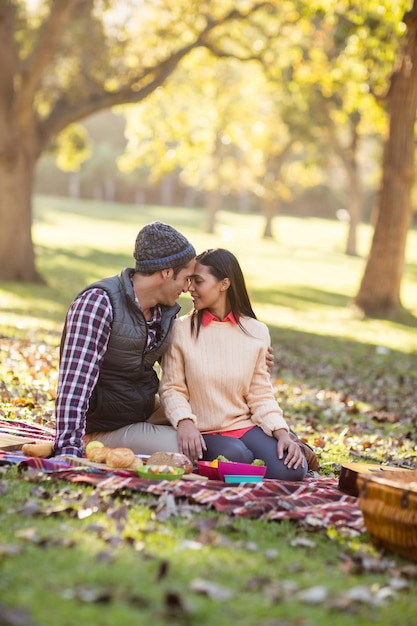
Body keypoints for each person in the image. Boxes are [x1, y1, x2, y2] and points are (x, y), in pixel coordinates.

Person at [159, 248, 308, 481]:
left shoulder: (256, 332)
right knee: (237, 458)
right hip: (204, 431)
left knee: (293, 470)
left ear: (224, 284)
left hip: (244, 426)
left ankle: (248, 472)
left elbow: (260, 394)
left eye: (198, 281)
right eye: (189, 281)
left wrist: (282, 433)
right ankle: (244, 473)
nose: (189, 289)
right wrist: (185, 422)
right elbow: (172, 388)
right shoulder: (181, 330)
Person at [53, 221, 196, 458]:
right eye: (186, 278)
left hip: (140, 410)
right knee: (188, 449)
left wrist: (250, 359)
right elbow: (74, 384)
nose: (187, 288)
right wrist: (69, 448)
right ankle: (92, 441)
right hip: (104, 425)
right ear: (167, 272)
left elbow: (187, 371)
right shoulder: (98, 303)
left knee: (203, 428)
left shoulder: (163, 313)